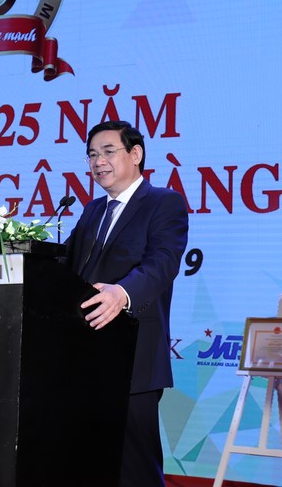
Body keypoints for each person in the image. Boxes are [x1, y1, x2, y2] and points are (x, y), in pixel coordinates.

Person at [68, 120, 189, 487]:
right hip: (84, 356)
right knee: (87, 464)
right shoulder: (92, 210)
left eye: (108, 152)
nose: (98, 162)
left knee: (135, 468)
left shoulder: (164, 202)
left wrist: (122, 293)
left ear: (135, 154)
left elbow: (162, 263)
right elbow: (64, 264)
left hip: (134, 355)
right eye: (92, 155)